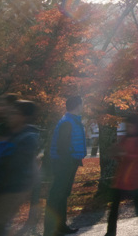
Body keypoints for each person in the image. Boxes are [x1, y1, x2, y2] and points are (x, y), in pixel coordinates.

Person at [0, 99, 39, 236]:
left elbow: (15, 165)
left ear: (24, 117)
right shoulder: (7, 133)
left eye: (14, 113)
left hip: (12, 189)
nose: (10, 115)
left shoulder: (28, 137)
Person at [44, 95, 86, 236]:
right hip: (65, 162)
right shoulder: (68, 122)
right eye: (82, 104)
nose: (83, 107)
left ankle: (60, 225)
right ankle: (50, 229)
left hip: (69, 162)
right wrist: (68, 160)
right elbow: (63, 146)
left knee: (63, 194)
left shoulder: (70, 120)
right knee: (56, 194)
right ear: (78, 105)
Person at [104, 114, 138, 235]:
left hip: (134, 177)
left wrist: (124, 154)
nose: (128, 128)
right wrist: (114, 152)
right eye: (127, 126)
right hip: (121, 177)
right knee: (114, 206)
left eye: (131, 126)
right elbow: (119, 156)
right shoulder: (124, 138)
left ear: (136, 126)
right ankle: (110, 232)